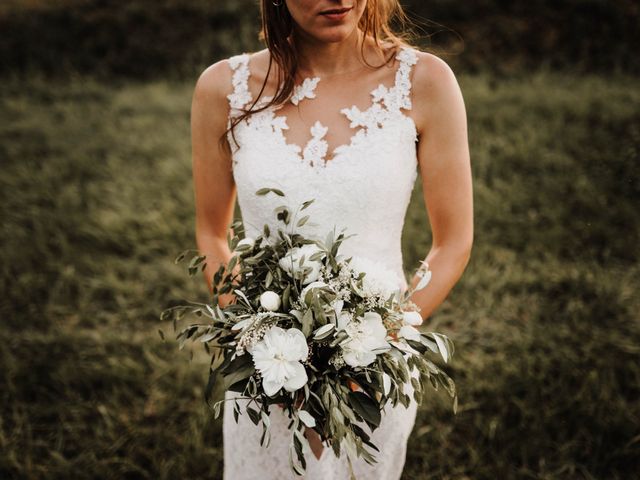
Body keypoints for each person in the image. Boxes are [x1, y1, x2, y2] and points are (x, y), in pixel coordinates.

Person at [190, 1, 473, 478]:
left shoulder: (426, 81)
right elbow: (210, 234)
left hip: (375, 364)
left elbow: (454, 242)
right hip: (267, 367)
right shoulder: (223, 88)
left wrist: (382, 338)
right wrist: (256, 337)